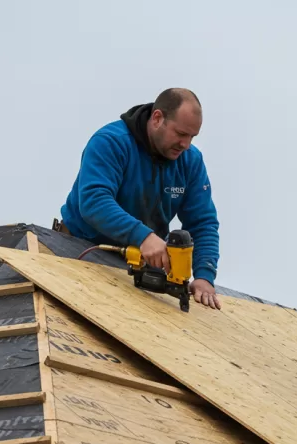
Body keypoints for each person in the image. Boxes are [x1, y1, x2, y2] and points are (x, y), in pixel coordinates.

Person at [57, 88, 222, 310]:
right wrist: (143, 237)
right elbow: (94, 201)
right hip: (79, 251)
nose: (186, 144)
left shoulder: (190, 161)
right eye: (181, 134)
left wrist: (204, 275)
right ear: (157, 118)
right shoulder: (111, 142)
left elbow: (203, 223)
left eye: (192, 137)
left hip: (138, 266)